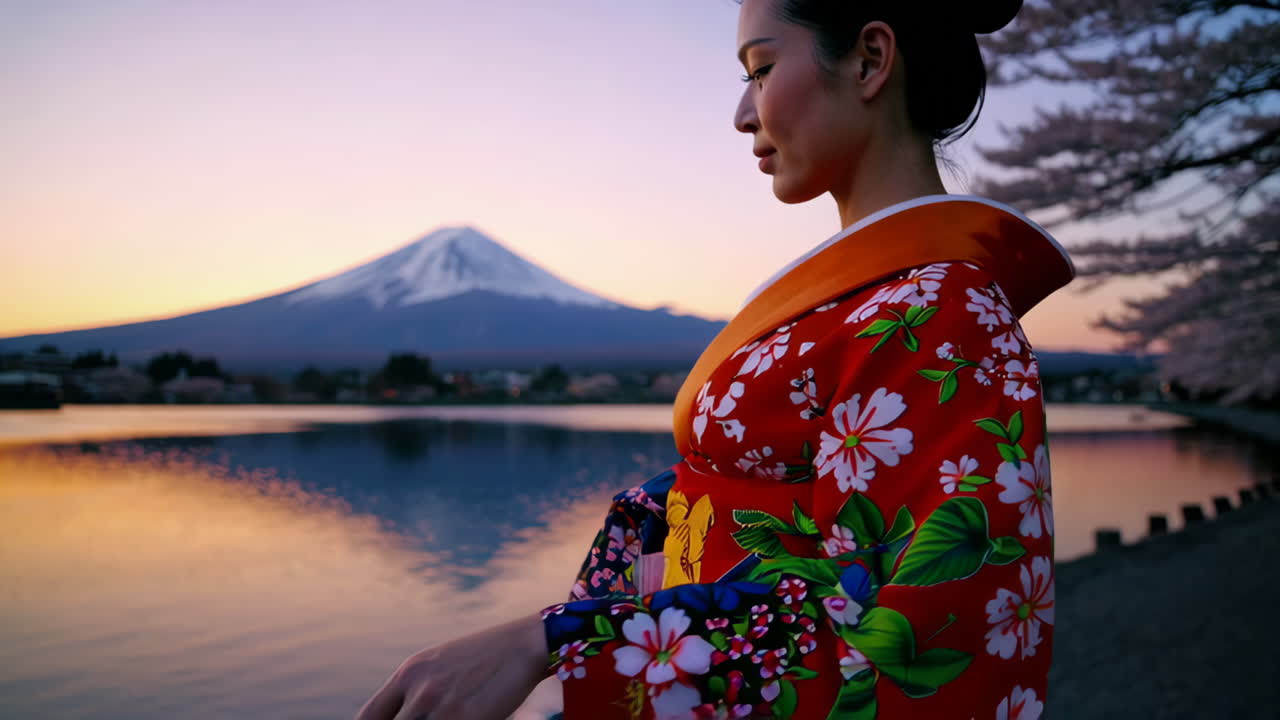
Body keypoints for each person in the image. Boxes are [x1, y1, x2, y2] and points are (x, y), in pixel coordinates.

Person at [356, 0, 1072, 717]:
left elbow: (927, 638)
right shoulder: (871, 297)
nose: (740, 113)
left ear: (869, 60)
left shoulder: (946, 312)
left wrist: (555, 640)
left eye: (760, 70)